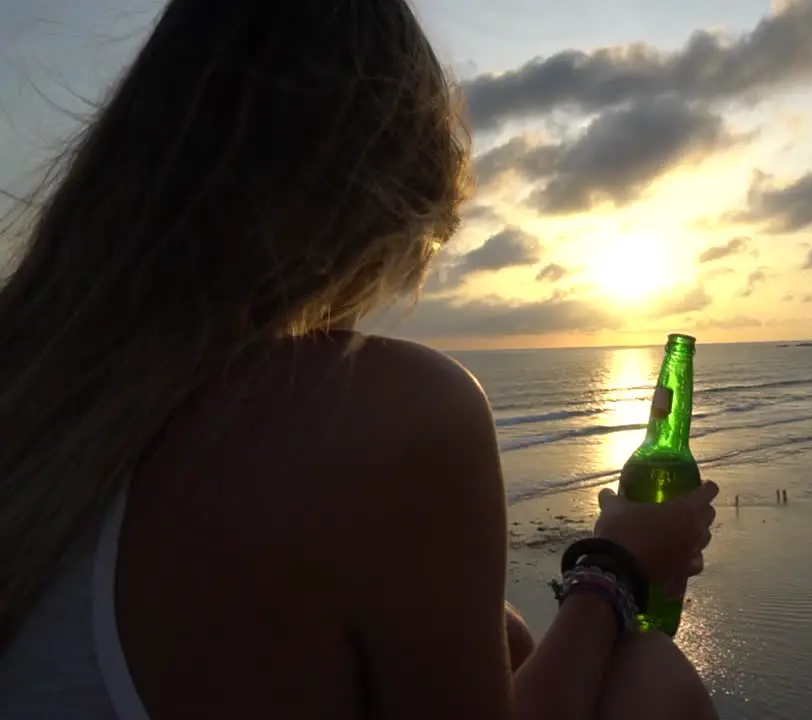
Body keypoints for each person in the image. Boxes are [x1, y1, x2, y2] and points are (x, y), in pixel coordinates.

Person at [0, 0, 721, 718]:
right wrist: (615, 568)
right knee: (650, 678)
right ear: (392, 194)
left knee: (505, 640)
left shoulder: (38, 382)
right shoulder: (394, 412)